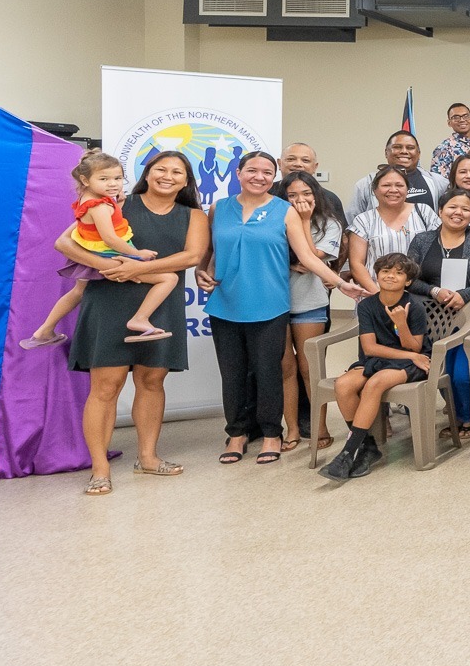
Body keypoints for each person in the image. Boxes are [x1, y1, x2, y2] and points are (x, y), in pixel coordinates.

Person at [58, 151, 205, 495]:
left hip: (160, 303)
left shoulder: (194, 215)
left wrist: (136, 268)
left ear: (186, 181)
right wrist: (105, 265)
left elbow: (193, 256)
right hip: (109, 301)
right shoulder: (117, 201)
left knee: (152, 381)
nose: (167, 176)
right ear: (147, 173)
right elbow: (64, 243)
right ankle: (99, 469)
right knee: (105, 387)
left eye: (177, 172)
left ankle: (148, 457)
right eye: (160, 169)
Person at [200, 151, 360, 467]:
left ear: (273, 176)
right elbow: (209, 250)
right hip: (226, 304)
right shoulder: (219, 208)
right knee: (233, 374)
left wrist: (340, 284)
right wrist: (201, 270)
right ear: (238, 172)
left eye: (266, 172)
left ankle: (273, 433)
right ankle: (237, 433)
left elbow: (310, 257)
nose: (259, 176)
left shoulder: (284, 210)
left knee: (270, 371)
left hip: (270, 304)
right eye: (252, 170)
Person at [24, 150, 178, 349]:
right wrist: (137, 254)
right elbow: (110, 238)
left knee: (78, 291)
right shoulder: (99, 206)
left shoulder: (89, 198)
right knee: (169, 278)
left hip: (91, 249)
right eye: (104, 179)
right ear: (85, 179)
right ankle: (140, 318)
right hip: (110, 255)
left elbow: (108, 224)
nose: (113, 184)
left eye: (117, 178)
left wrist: (117, 204)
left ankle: (44, 330)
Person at [319, 253, 426, 481]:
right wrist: (409, 354)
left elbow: (415, 348)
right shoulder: (367, 305)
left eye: (399, 273)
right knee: (344, 384)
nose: (390, 276)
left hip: (408, 363)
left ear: (407, 281)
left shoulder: (414, 305)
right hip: (377, 359)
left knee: (375, 383)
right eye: (386, 271)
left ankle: (348, 452)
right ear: (377, 275)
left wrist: (401, 324)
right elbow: (369, 348)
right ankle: (368, 446)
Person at [408, 188, 470, 421]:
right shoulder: (422, 240)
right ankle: (456, 414)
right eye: (452, 207)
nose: (458, 213)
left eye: (465, 209)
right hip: (430, 320)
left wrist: (465, 294)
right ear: (440, 211)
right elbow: (410, 278)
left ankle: (466, 418)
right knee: (441, 371)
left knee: (461, 375)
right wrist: (435, 291)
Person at [273, 172, 345, 448]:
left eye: (306, 194)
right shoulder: (271, 221)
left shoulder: (329, 224)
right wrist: (289, 264)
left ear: (316, 195)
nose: (300, 200)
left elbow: (312, 256)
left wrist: (302, 221)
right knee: (284, 368)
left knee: (309, 368)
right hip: (275, 303)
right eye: (292, 195)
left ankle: (319, 428)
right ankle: (291, 429)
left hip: (310, 302)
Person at [346, 167, 440, 294]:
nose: (393, 190)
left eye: (399, 185)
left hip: (419, 295)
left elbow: (439, 251)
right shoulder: (363, 220)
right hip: (375, 294)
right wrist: (379, 296)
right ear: (374, 190)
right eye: (386, 185)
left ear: (407, 190)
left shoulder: (424, 212)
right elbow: (357, 264)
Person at [349, 131, 442, 214]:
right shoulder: (365, 185)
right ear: (386, 152)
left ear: (418, 153)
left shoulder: (439, 182)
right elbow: (352, 224)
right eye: (397, 147)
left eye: (410, 148)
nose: (404, 151)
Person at [277, 142, 344, 216]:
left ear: (315, 167)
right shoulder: (266, 193)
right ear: (279, 163)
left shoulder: (329, 199)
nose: (298, 164)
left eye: (305, 160)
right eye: (291, 159)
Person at [428, 102, 470, 178]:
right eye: (456, 117)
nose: (462, 120)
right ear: (449, 123)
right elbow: (440, 183)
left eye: (466, 116)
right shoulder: (443, 149)